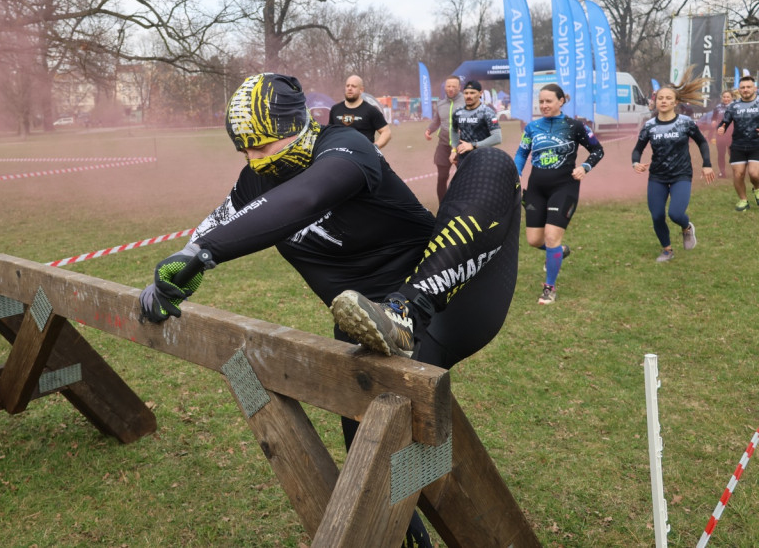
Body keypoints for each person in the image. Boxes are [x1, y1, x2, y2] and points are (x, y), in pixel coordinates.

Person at [140, 73, 522, 548]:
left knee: (489, 163)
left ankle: (406, 309)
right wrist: (171, 275)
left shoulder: (344, 146)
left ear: (296, 125)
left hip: (455, 294)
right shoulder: (255, 178)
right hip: (368, 332)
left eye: (262, 147)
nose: (254, 161)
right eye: (245, 151)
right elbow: (220, 222)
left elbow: (306, 196)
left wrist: (207, 252)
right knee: (376, 476)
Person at [514, 83, 604, 304]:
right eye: (541, 102)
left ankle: (549, 287)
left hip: (564, 187)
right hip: (536, 188)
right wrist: (515, 175)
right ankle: (558, 251)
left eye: (548, 101)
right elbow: (521, 154)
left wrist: (584, 167)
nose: (544, 105)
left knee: (551, 236)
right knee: (534, 240)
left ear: (561, 101)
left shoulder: (575, 126)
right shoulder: (532, 127)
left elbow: (597, 149)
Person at [632, 75, 715, 262]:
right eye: (660, 98)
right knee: (657, 215)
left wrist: (707, 164)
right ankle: (667, 250)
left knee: (676, 214)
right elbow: (638, 149)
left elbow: (702, 142)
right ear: (655, 101)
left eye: (668, 98)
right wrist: (635, 163)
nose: (664, 101)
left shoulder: (685, 122)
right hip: (657, 177)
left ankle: (686, 227)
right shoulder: (650, 126)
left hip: (681, 175)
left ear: (676, 102)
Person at [716, 75, 759, 211]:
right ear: (739, 90)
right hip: (738, 145)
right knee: (738, 174)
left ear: (755, 88)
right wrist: (722, 127)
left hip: (756, 144)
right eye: (742, 87)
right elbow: (725, 121)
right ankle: (743, 200)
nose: (745, 90)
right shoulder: (733, 106)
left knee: (754, 174)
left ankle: (757, 189)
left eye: (748, 87)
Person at [424, 75, 462, 202]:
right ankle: (443, 207)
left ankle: (465, 204)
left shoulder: (465, 102)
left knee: (464, 177)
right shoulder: (441, 103)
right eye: (448, 86)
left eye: (454, 86)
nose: (451, 89)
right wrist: (429, 130)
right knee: (442, 177)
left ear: (459, 88)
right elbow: (437, 120)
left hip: (462, 146)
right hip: (444, 145)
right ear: (445, 87)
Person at [328, 75, 391, 149]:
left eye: (353, 86)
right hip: (339, 155)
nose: (349, 88)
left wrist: (375, 146)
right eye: (347, 86)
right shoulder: (335, 109)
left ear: (361, 90)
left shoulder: (371, 110)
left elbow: (386, 132)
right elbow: (329, 132)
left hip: (362, 156)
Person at [449, 80, 501, 165]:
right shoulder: (458, 112)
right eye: (466, 93)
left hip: (483, 159)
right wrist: (454, 149)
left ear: (480, 93)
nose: (468, 96)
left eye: (472, 93)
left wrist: (473, 145)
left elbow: (497, 138)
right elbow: (454, 130)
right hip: (463, 160)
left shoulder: (487, 112)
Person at [709, 90, 735, 178]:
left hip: (732, 134)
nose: (726, 99)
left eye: (728, 97)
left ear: (732, 97)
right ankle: (722, 172)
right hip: (720, 134)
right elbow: (713, 118)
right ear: (722, 98)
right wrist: (713, 121)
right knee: (721, 154)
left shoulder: (735, 106)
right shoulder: (718, 107)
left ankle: (737, 171)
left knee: (733, 153)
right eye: (724, 97)